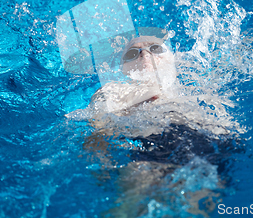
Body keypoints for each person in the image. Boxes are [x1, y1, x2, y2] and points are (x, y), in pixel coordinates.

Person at [77, 33, 243, 217]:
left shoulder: (196, 88)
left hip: (204, 143)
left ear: (175, 59)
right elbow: (98, 126)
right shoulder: (113, 90)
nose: (145, 54)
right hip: (150, 147)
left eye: (155, 48)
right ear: (123, 69)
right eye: (133, 53)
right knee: (131, 208)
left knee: (195, 209)